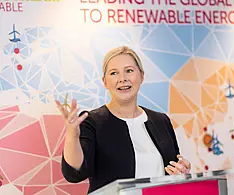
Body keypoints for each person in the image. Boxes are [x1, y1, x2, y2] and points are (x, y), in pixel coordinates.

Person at [55, 46, 191, 194]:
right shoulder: (92, 121)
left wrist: (180, 172)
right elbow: (75, 173)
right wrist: (72, 136)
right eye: (114, 73)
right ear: (105, 82)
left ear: (141, 76)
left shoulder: (161, 121)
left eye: (129, 71)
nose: (122, 79)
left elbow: (172, 169)